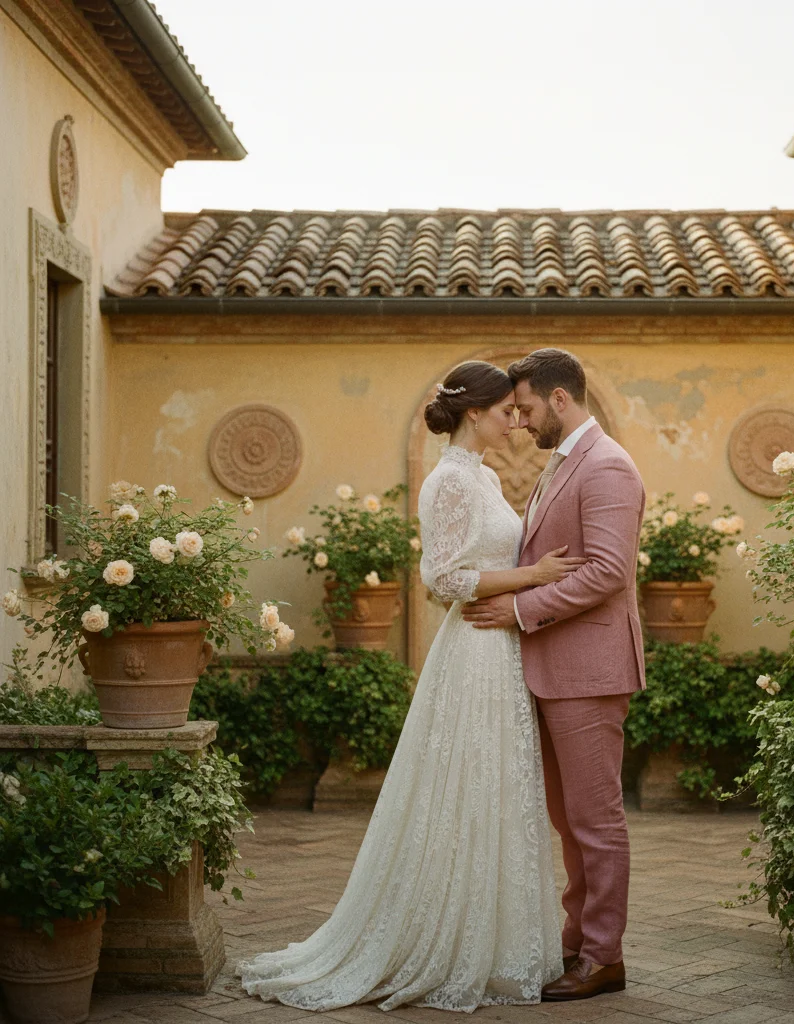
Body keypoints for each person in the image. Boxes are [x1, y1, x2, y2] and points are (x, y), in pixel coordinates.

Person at [237, 360, 580, 1012]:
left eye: (518, 409)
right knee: (466, 786)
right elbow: (444, 578)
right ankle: (444, 943)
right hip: (474, 649)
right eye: (506, 409)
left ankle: (499, 943)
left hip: (499, 648)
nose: (515, 418)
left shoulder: (478, 475)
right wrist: (534, 576)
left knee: (497, 789)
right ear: (475, 412)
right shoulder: (449, 481)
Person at [463, 348, 646, 1002]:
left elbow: (607, 571)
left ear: (560, 399)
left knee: (595, 822)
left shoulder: (607, 467)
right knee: (570, 822)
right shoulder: (564, 463)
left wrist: (517, 609)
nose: (522, 420)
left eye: (528, 407)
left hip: (590, 674)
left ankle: (603, 957)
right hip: (553, 671)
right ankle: (576, 946)